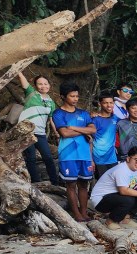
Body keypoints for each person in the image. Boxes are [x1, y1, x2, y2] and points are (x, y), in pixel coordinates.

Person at [51, 82, 96, 222]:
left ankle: (84, 212)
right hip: (68, 154)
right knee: (70, 185)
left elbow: (93, 130)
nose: (75, 99)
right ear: (63, 97)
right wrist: (83, 131)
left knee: (83, 184)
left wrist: (74, 128)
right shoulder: (58, 113)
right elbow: (64, 133)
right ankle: (76, 214)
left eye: (77, 96)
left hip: (84, 153)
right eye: (72, 96)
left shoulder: (83, 113)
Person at [90, 147, 137, 229]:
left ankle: (126, 219)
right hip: (100, 200)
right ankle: (110, 221)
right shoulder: (121, 169)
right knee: (129, 199)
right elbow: (123, 191)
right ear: (128, 159)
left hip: (115, 196)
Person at [16, 72, 62, 184]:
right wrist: (17, 70)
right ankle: (36, 182)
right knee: (31, 158)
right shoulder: (31, 94)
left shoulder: (51, 102)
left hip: (40, 133)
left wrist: (57, 134)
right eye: (40, 84)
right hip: (26, 132)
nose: (43, 86)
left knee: (48, 157)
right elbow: (23, 81)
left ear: (49, 85)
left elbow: (51, 120)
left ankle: (54, 182)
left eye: (45, 84)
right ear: (36, 86)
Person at [91, 92, 120, 180]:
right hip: (99, 158)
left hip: (112, 158)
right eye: (105, 103)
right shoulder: (95, 120)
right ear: (100, 104)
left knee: (113, 183)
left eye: (111, 103)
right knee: (101, 183)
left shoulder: (116, 118)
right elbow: (90, 141)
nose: (109, 105)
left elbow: (128, 121)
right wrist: (91, 160)